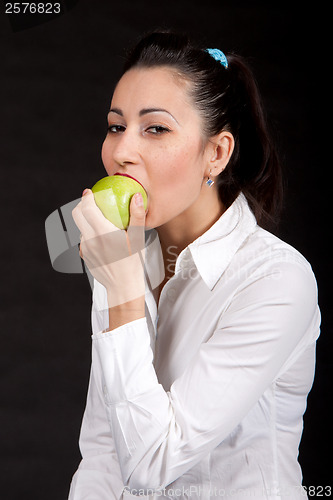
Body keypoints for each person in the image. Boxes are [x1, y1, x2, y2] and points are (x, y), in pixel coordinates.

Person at [69, 30, 321, 500]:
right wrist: (120, 279)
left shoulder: (276, 281)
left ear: (217, 154)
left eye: (156, 129)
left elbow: (150, 462)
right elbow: (105, 448)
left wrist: (120, 287)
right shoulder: (125, 256)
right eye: (116, 126)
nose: (121, 152)